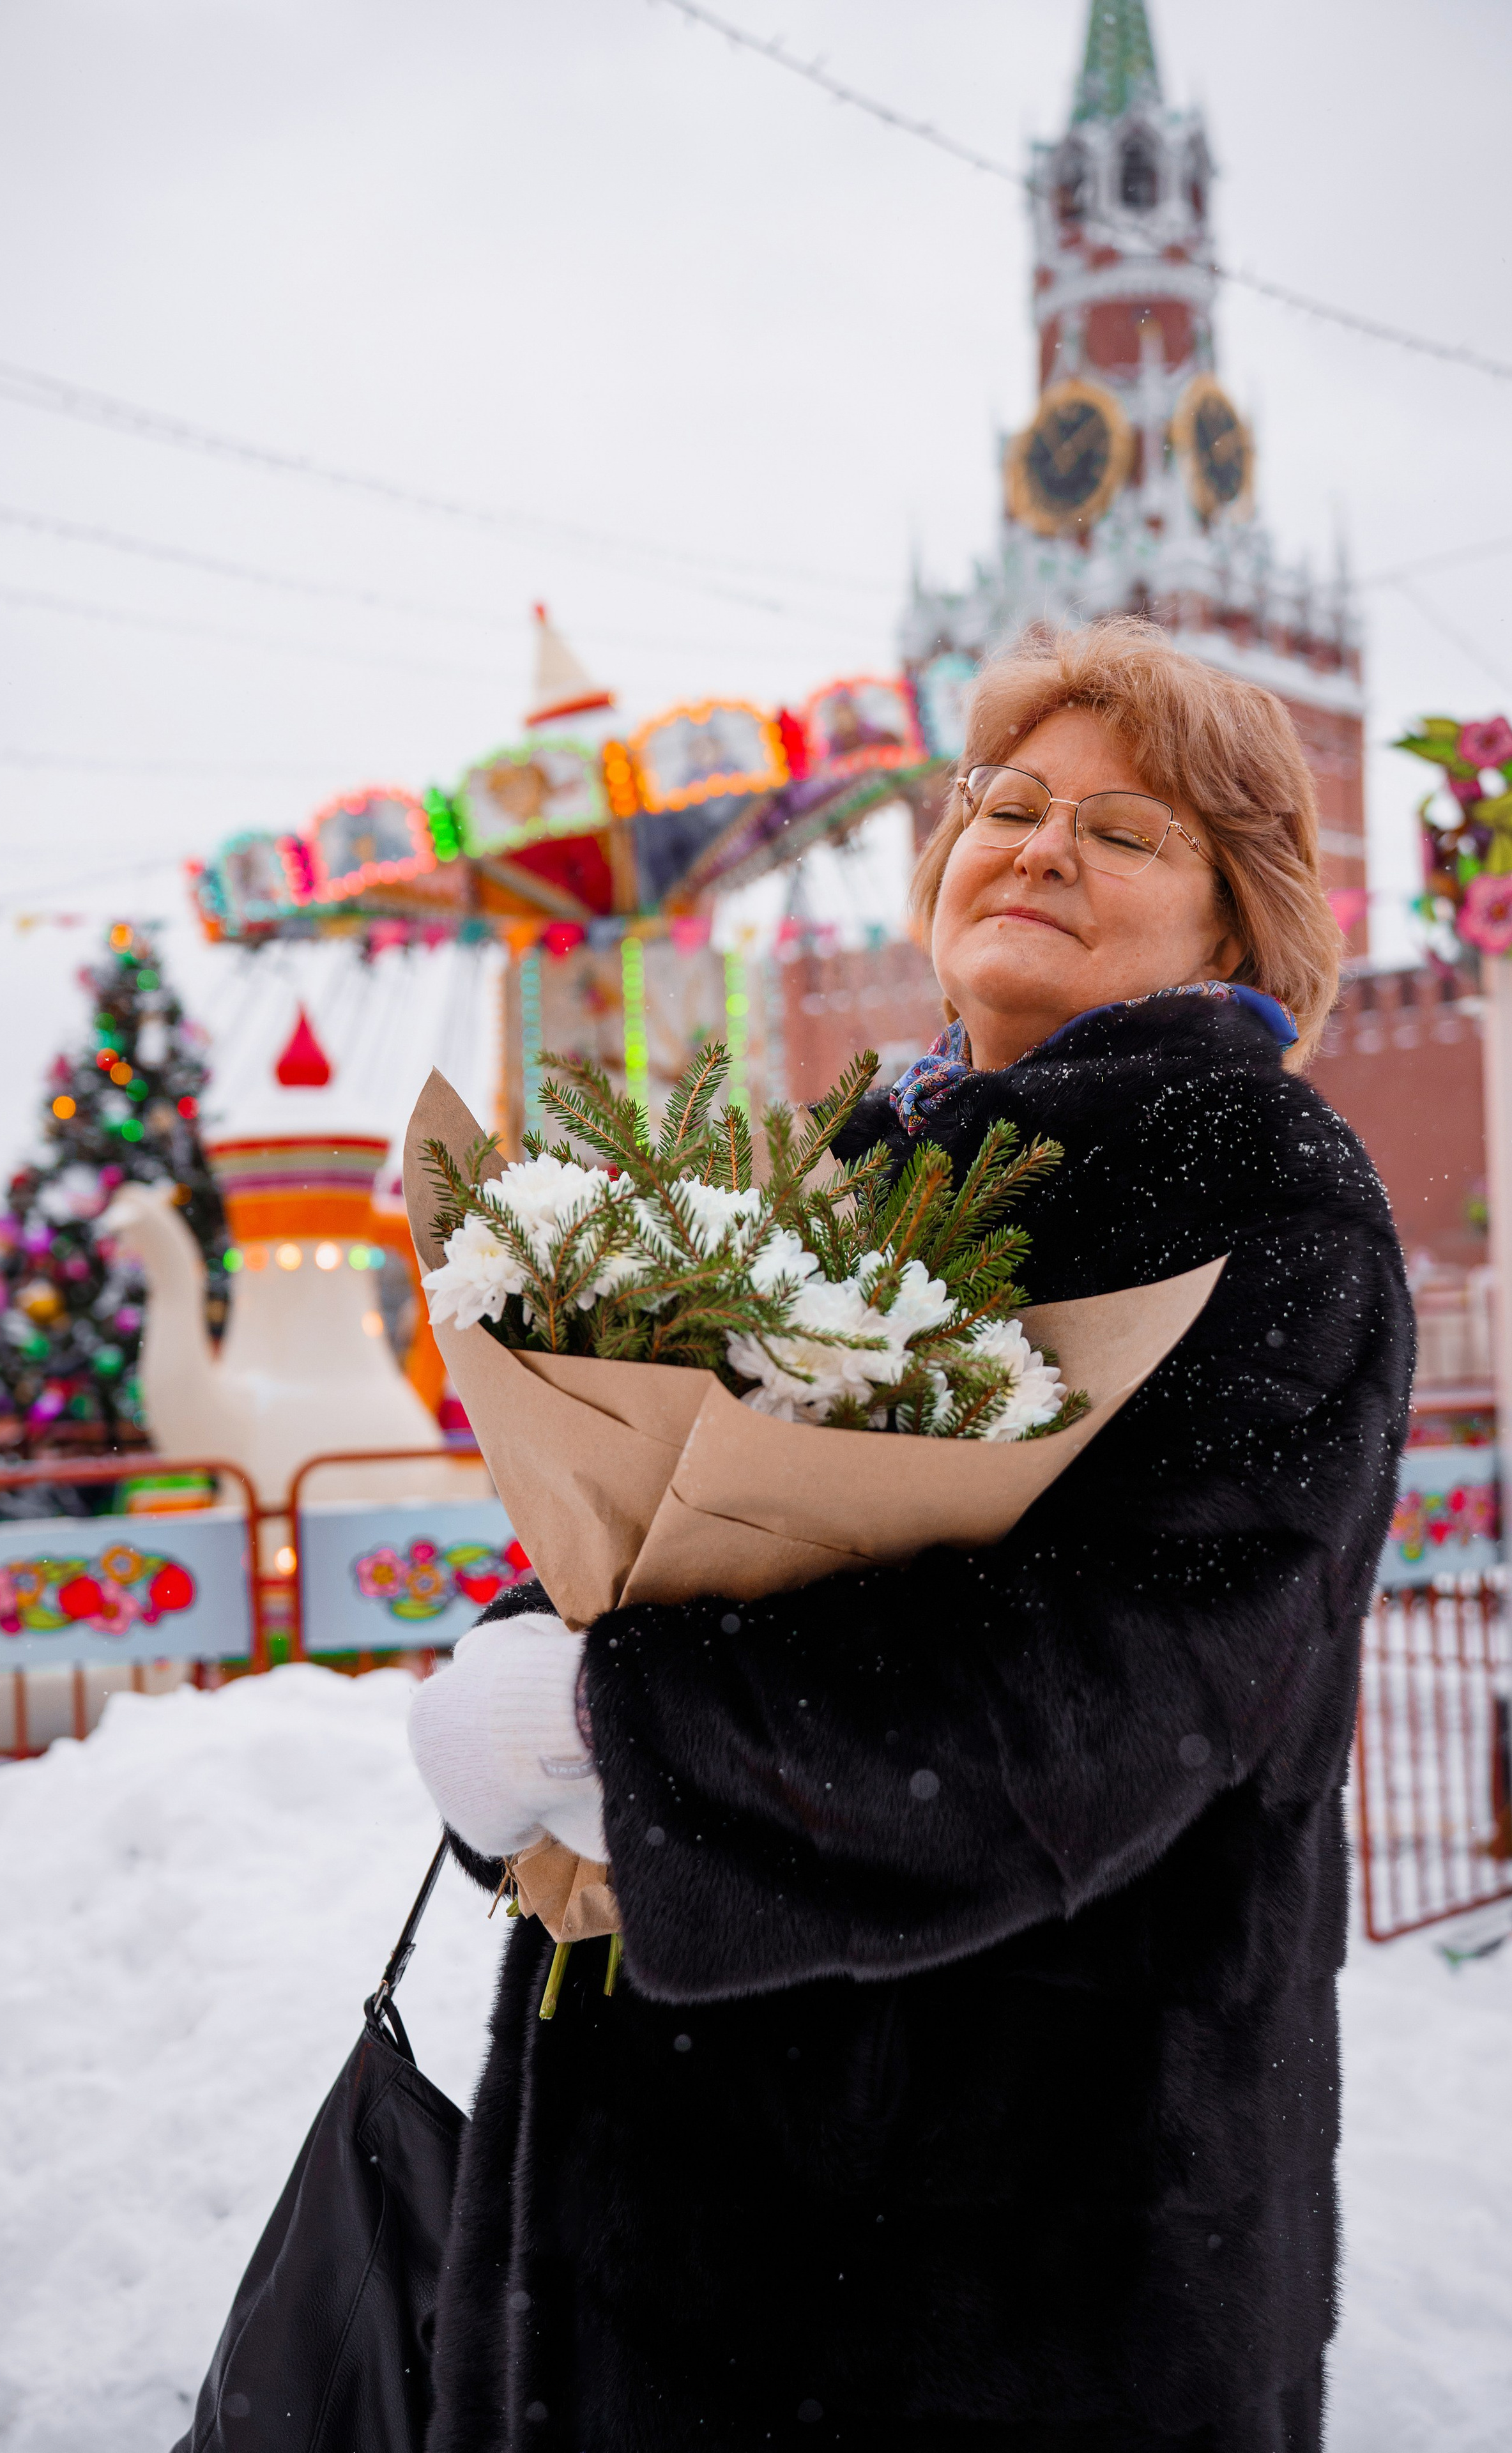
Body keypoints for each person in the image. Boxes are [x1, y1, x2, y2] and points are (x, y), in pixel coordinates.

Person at [409, 618, 1413, 2452]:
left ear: (1236, 923)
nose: (1040, 848)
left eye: (1126, 829)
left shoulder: (1250, 1187)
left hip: (1001, 2258)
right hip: (692, 2229)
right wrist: (525, 1674)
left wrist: (628, 1733)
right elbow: (689, 1540)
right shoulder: (853, 1167)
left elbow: (1134, 1685)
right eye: (1008, 804)